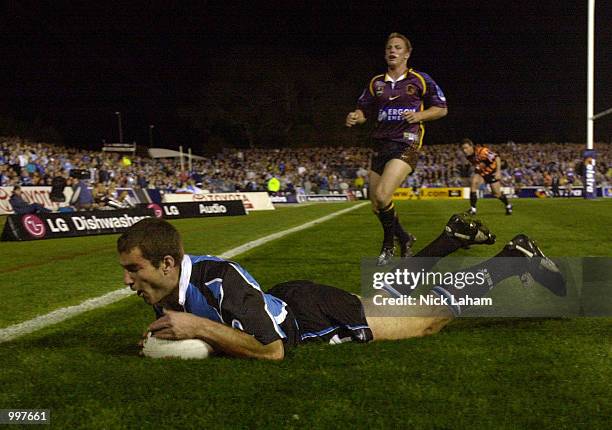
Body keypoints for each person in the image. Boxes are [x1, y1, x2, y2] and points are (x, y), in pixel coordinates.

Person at [118, 216, 565, 361]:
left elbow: (272, 352)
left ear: (168, 263)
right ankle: (453, 239)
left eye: (135, 270)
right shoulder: (166, 290)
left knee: (428, 321)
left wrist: (197, 326)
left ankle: (511, 260)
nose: (128, 281)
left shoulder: (219, 279)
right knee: (396, 300)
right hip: (292, 298)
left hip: (310, 314)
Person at [345, 32, 448, 265]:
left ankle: (388, 244)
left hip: (406, 142)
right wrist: (356, 117)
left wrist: (420, 115)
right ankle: (405, 237)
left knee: (383, 196)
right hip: (380, 144)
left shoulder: (420, 80)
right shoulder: (376, 83)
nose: (393, 51)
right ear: (385, 53)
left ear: (407, 54)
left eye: (398, 48)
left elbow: (441, 108)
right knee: (376, 205)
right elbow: (364, 110)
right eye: (389, 47)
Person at [460, 138, 513, 215]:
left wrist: (498, 172)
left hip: (492, 172)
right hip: (481, 172)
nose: (464, 150)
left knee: (496, 194)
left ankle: (508, 205)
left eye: (466, 148)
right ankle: (473, 209)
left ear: (471, 146)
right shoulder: (468, 156)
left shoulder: (482, 151)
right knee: (473, 183)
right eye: (463, 149)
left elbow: (497, 157)